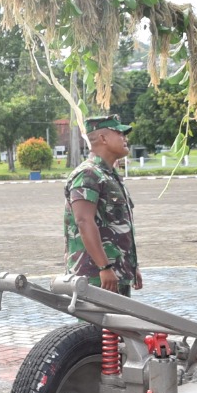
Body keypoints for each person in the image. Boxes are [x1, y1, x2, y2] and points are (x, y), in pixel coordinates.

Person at [64, 115, 142, 295]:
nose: (125, 138)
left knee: (118, 323)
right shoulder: (88, 174)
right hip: (95, 276)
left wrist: (132, 267)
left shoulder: (109, 175)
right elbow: (83, 221)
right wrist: (104, 267)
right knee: (95, 324)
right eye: (120, 133)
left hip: (116, 273)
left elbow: (119, 225)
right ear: (103, 138)